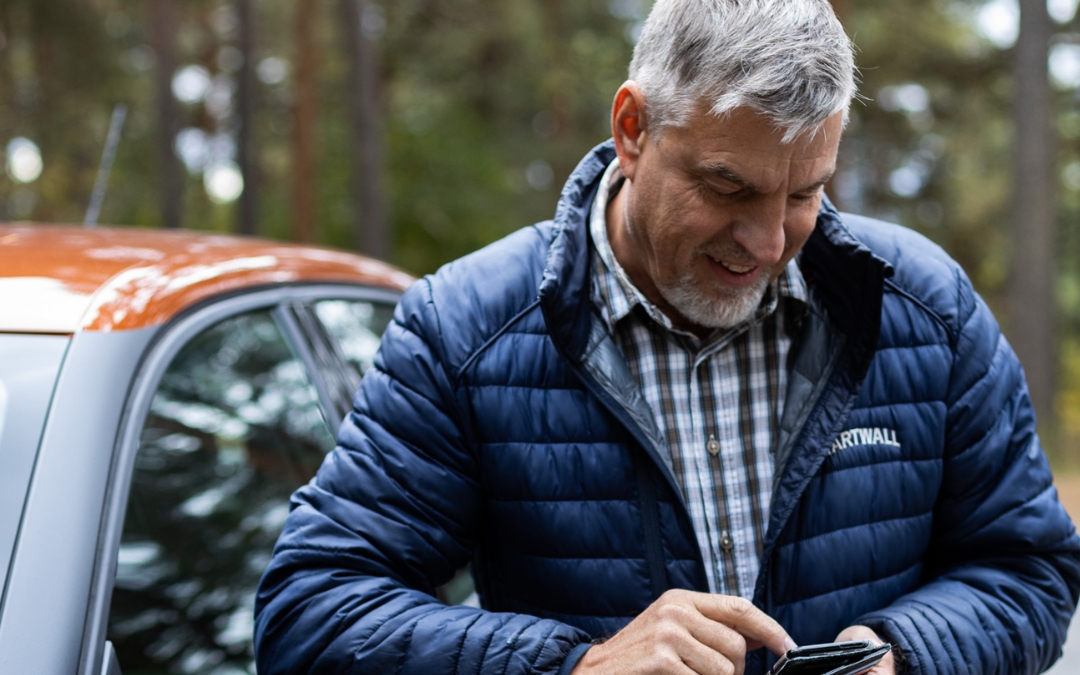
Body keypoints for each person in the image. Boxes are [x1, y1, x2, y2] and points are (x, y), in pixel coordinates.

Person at [254, 0, 1080, 673]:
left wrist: (904, 654)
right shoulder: (464, 329)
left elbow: (1029, 567)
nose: (765, 242)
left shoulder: (923, 308)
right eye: (728, 186)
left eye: (805, 194)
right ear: (633, 127)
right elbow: (312, 611)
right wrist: (576, 667)